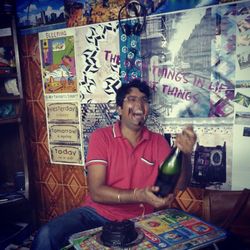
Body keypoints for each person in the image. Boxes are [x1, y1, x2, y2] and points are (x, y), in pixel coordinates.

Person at [31, 79, 196, 250]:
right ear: (119, 108)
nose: (139, 104)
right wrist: (140, 195)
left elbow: (181, 184)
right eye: (131, 99)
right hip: (96, 214)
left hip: (141, 220)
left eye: (144, 100)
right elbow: (96, 192)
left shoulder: (159, 142)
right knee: (47, 234)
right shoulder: (101, 137)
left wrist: (185, 154)